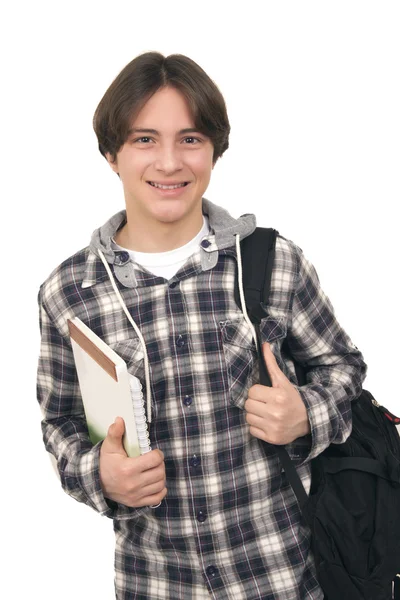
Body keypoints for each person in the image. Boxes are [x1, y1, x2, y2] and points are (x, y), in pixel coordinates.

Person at [36, 51, 367, 600]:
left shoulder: (272, 261)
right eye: (145, 139)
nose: (169, 162)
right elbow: (60, 422)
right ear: (111, 154)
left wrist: (305, 414)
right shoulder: (69, 292)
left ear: (214, 150)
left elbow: (342, 369)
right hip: (155, 583)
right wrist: (100, 475)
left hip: (287, 577)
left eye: (190, 139)